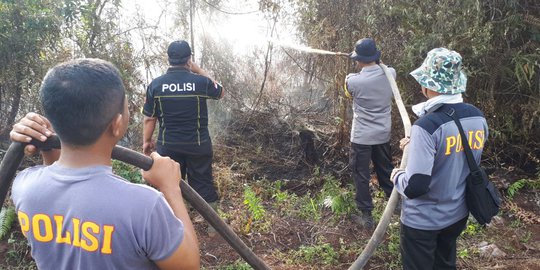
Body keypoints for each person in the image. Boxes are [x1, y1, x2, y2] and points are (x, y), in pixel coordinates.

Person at [9, 59, 200, 270]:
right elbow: (188, 266)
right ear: (117, 125)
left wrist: (48, 148)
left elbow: (63, 195)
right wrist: (171, 188)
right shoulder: (144, 206)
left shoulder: (24, 186)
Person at [391, 48, 488, 270]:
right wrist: (416, 146)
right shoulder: (477, 117)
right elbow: (459, 156)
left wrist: (396, 175)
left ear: (428, 86)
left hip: (423, 223)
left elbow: (416, 185)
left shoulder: (426, 126)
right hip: (456, 215)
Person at [142, 40, 223, 234]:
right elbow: (219, 91)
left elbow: (149, 118)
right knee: (203, 182)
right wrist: (198, 69)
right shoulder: (200, 82)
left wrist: (146, 141)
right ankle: (213, 229)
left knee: (170, 183)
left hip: (168, 146)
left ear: (168, 58)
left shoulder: (156, 85)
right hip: (198, 144)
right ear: (189, 59)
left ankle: (173, 225)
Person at [344, 38, 395, 229]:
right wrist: (374, 60)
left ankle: (366, 216)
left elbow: (348, 92)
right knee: (385, 170)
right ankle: (395, 204)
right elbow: (383, 67)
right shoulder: (391, 74)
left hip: (362, 137)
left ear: (358, 59)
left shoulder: (353, 81)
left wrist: (357, 61)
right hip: (383, 134)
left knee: (361, 174)